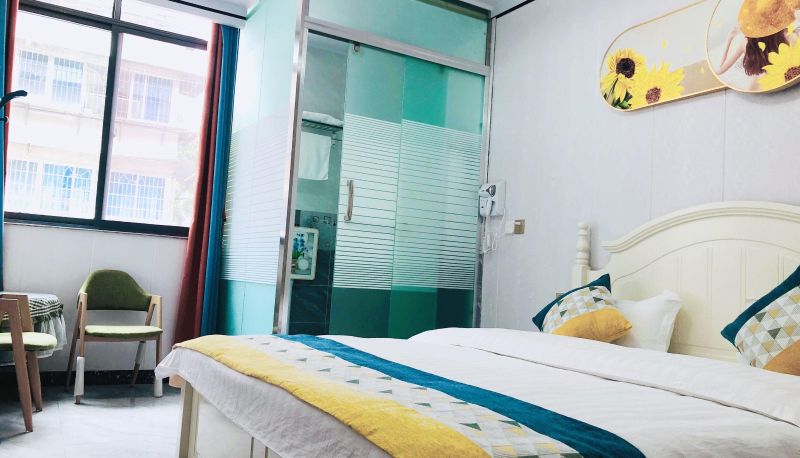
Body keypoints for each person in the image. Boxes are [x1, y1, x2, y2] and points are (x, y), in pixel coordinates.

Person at [716, 0, 800, 90]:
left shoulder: (746, 44)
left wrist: (729, 39)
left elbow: (719, 71)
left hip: (760, 88)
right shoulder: (789, 38)